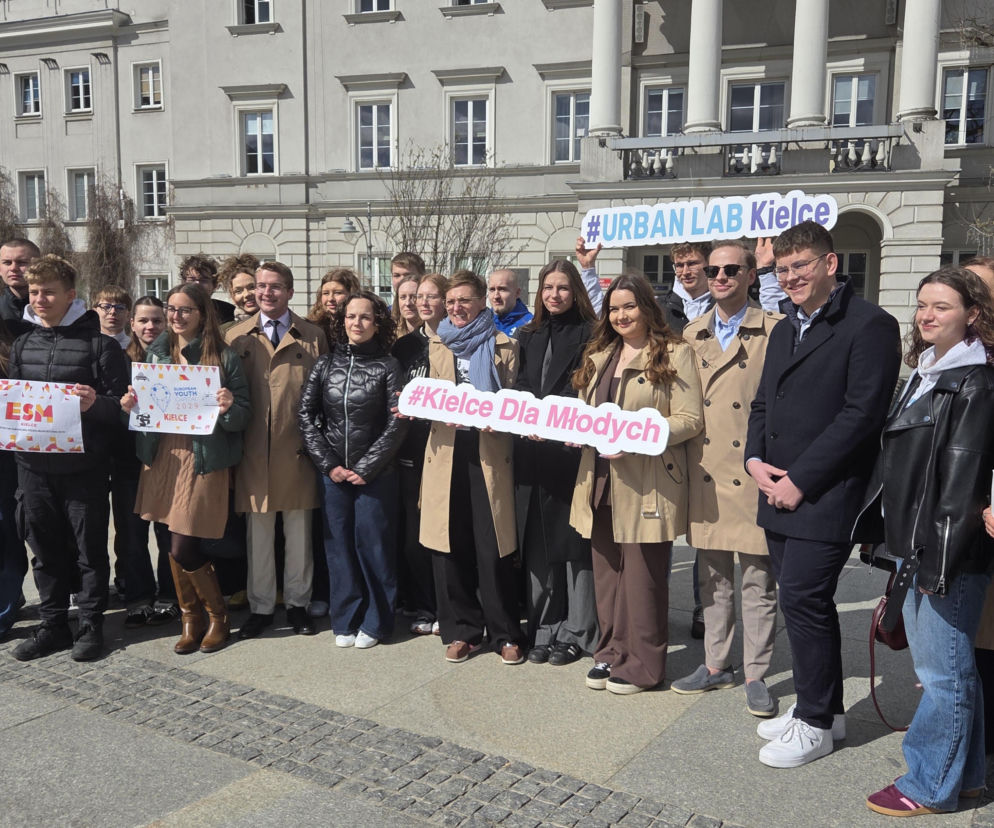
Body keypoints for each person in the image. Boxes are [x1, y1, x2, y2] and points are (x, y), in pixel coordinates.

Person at [746, 220, 901, 768]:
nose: (790, 277)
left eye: (800, 266)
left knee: (803, 600)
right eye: (782, 269)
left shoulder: (871, 325)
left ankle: (814, 723)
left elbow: (861, 416)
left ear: (830, 264)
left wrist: (799, 480)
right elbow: (763, 401)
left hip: (827, 492)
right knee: (802, 602)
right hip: (776, 487)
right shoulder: (786, 327)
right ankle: (826, 710)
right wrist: (754, 460)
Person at [852, 267, 994, 815]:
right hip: (921, 543)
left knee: (943, 676)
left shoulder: (974, 380)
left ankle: (929, 785)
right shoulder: (932, 370)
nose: (926, 315)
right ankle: (971, 778)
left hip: (947, 552)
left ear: (973, 315)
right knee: (953, 671)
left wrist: (937, 563)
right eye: (921, 305)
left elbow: (963, 482)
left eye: (941, 306)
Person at [569, 273, 703, 694]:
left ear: (647, 308)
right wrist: (575, 427)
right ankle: (609, 654)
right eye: (613, 308)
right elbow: (585, 409)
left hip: (648, 481)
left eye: (629, 306)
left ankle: (644, 665)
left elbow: (689, 419)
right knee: (607, 575)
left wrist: (636, 438)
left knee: (643, 579)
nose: (621, 315)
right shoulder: (601, 352)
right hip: (599, 479)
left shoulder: (675, 352)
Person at [670, 240, 781, 718]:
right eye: (714, 269)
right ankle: (716, 665)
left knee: (759, 580)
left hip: (755, 469)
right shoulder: (692, 334)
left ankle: (756, 673)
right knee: (712, 578)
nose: (720, 277)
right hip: (708, 473)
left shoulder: (775, 331)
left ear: (751, 275)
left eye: (732, 269)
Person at [9, 255, 129, 662]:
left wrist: (95, 404)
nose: (40, 299)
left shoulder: (102, 346)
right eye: (34, 292)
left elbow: (123, 409)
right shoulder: (24, 343)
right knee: (43, 549)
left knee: (88, 550)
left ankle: (91, 625)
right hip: (32, 468)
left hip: (84, 469)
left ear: (71, 296)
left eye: (49, 292)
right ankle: (53, 624)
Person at [123, 283, 250, 655]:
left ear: (202, 314)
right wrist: (131, 406)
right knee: (171, 542)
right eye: (172, 310)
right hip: (163, 456)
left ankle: (217, 616)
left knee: (183, 544)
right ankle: (190, 619)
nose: (176, 317)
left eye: (185, 310)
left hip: (201, 458)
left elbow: (245, 414)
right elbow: (146, 409)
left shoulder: (223, 358)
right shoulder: (155, 356)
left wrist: (229, 407)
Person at [419, 270, 526, 665]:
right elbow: (425, 394)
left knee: (492, 544)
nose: (456, 308)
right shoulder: (436, 344)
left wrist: (500, 416)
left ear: (483, 302)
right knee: (449, 543)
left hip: (488, 451)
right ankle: (462, 630)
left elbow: (517, 399)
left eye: (464, 300)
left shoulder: (505, 345)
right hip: (446, 451)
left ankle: (504, 633)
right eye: (450, 302)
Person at [225, 261, 328, 639]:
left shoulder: (312, 336)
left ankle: (299, 605)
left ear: (289, 291)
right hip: (253, 452)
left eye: (274, 287)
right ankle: (262, 607)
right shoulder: (236, 337)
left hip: (298, 452)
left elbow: (322, 397)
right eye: (260, 286)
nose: (265, 293)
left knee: (299, 535)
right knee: (259, 537)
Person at [299, 291, 407, 649]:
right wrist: (329, 465)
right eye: (350, 317)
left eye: (364, 317)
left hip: (376, 476)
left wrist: (365, 467)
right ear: (341, 321)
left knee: (373, 547)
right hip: (333, 475)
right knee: (338, 548)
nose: (356, 323)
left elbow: (397, 423)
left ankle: (377, 621)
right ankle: (344, 617)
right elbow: (306, 416)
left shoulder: (389, 366)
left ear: (376, 323)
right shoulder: (325, 364)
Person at [514, 259, 598, 666]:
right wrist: (526, 414)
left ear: (575, 290)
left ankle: (577, 631)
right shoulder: (528, 333)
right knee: (539, 546)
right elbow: (522, 384)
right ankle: (544, 626)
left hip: (569, 451)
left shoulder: (591, 333)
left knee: (574, 546)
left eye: (562, 287)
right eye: (548, 287)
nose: (554, 295)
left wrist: (551, 419)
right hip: (533, 451)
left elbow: (583, 387)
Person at [391, 273, 448, 636]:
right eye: (418, 297)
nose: (422, 303)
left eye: (431, 297)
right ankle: (423, 603)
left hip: (447, 448)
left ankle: (448, 604)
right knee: (414, 537)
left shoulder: (459, 340)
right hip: (411, 449)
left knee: (445, 533)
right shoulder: (404, 347)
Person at [122, 296, 178, 627]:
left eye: (157, 320)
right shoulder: (118, 358)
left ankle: (169, 597)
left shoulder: (175, 358)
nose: (150, 327)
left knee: (167, 534)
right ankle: (138, 598)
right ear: (132, 324)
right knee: (132, 534)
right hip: (129, 459)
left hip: (165, 457)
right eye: (143, 320)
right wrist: (122, 408)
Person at [308, 268, 361, 346]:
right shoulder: (312, 328)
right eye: (326, 293)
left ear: (351, 294)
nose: (330, 299)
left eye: (337, 293)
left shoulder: (360, 325)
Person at [179, 253, 236, 324]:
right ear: (183, 283)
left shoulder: (228, 312)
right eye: (192, 279)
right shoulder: (176, 311)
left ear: (214, 285)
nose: (197, 284)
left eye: (204, 280)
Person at [0, 238, 38, 322]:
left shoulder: (57, 308)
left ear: (37, 266)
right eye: (7, 262)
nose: (13, 268)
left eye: (22, 262)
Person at [217, 254, 260, 327]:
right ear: (232, 296)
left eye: (252, 287)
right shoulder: (225, 332)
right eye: (238, 291)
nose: (246, 294)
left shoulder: (280, 324)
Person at [488, 269, 533, 336]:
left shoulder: (530, 326)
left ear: (517, 293)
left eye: (502, 289)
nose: (496, 296)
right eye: (492, 290)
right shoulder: (483, 323)